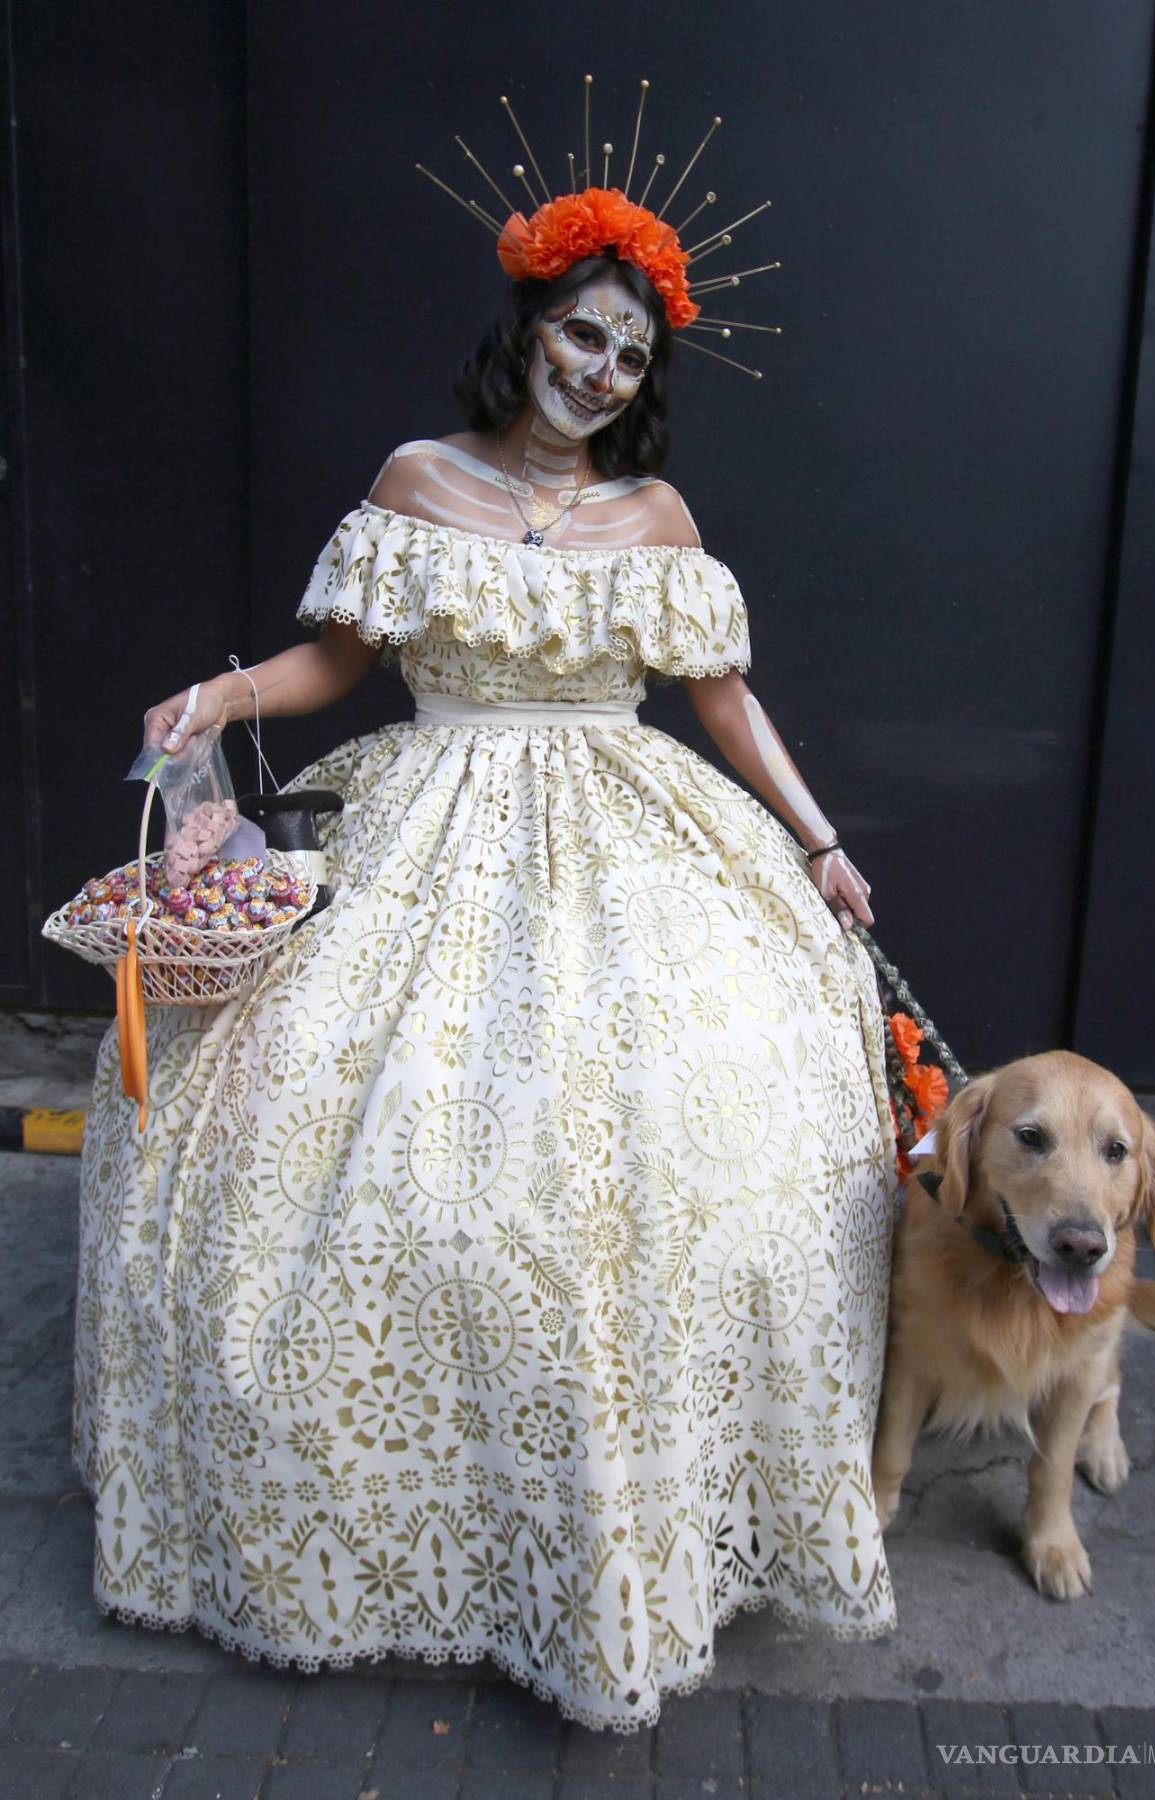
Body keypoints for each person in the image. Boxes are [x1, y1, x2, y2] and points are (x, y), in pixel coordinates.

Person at [74, 127, 900, 1733]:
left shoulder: (655, 514)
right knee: (323, 1135)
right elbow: (340, 661)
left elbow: (722, 693)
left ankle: (615, 1523)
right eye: (582, 332)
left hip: (628, 832)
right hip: (424, 810)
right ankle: (378, 1529)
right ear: (529, 324)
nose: (598, 371)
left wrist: (819, 840)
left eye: (630, 355)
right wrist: (222, 696)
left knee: (657, 1150)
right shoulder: (418, 481)